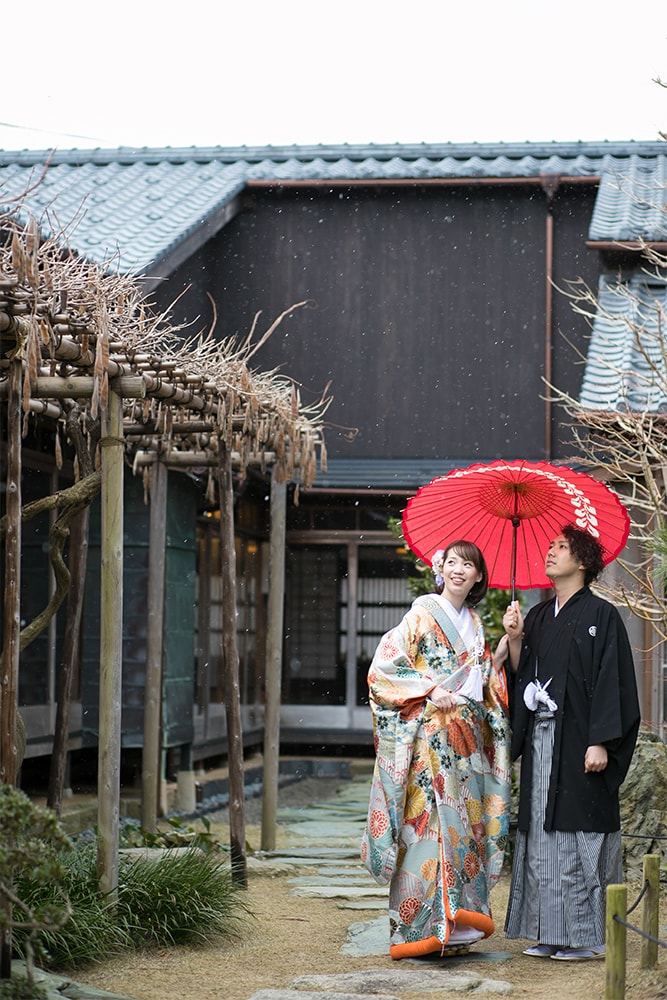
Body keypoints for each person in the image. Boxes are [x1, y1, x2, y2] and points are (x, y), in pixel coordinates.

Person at [361, 539, 512, 960]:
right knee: (427, 826)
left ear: (479, 576)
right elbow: (385, 668)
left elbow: (481, 684)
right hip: (429, 738)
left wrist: (499, 656)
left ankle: (458, 924)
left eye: (469, 564)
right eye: (453, 562)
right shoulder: (422, 614)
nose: (460, 569)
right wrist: (429, 690)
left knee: (463, 830)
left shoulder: (476, 625)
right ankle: (418, 926)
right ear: (439, 569)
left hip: (463, 744)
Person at [502, 524, 640, 961]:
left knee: (577, 833)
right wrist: (518, 639)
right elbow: (526, 674)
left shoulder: (602, 616)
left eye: (560, 547)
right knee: (541, 833)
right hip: (544, 740)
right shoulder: (540, 616)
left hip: (581, 744)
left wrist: (601, 741)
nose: (549, 552)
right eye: (549, 545)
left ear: (581, 562)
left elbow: (612, 682)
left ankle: (585, 936)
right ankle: (547, 929)